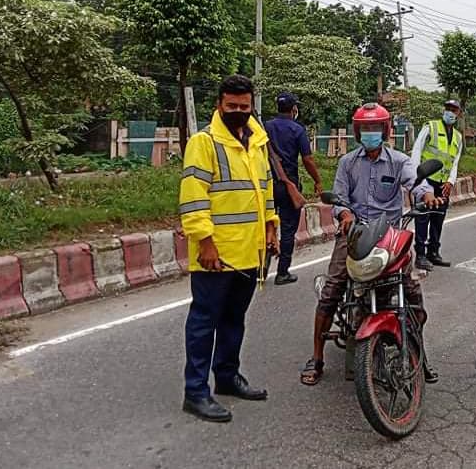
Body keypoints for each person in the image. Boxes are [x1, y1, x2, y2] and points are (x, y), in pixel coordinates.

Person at [300, 102, 441, 386]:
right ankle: (316, 358)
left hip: (389, 236)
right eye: (365, 128)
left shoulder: (399, 161)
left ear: (385, 130)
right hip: (354, 235)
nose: (370, 133)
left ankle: (419, 353)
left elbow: (416, 182)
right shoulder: (347, 162)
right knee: (332, 290)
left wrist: (426, 196)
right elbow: (339, 197)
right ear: (357, 132)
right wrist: (346, 213)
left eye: (375, 128)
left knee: (411, 291)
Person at [178, 74, 280, 423]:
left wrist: (271, 227)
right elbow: (193, 197)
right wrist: (204, 242)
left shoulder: (256, 141)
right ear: (219, 105)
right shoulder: (203, 142)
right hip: (215, 255)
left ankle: (226, 377)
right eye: (231, 106)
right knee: (204, 323)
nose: (238, 111)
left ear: (252, 106)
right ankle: (195, 392)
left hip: (249, 252)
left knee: (234, 320)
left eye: (244, 106)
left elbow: (264, 189)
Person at [263, 92, 323, 285]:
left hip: (266, 186)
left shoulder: (265, 127)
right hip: (289, 186)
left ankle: (260, 270)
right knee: (288, 230)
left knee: (266, 226)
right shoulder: (297, 129)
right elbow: (307, 159)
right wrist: (318, 181)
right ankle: (282, 272)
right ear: (294, 109)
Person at [410, 99, 464, 270]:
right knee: (422, 218)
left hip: (443, 184)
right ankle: (420, 254)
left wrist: (450, 181)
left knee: (438, 219)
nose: (450, 112)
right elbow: (417, 151)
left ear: (459, 114)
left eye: (454, 110)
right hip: (426, 179)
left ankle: (433, 252)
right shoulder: (431, 127)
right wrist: (418, 180)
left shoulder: (458, 136)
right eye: (448, 109)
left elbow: (454, 161)